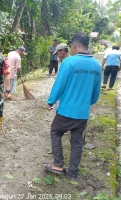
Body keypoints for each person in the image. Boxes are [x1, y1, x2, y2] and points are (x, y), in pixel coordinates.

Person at [43, 32, 102, 180]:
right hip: (83, 113)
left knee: (56, 131)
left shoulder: (69, 63)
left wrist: (51, 101)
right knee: (76, 142)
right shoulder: (96, 65)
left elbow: (59, 85)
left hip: (66, 110)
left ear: (74, 46)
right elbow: (95, 93)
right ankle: (73, 172)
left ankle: (57, 164)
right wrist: (86, 104)